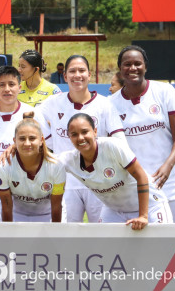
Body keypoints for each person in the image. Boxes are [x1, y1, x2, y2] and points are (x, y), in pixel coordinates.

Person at [33, 54, 125, 223]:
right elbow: (30, 116)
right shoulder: (53, 102)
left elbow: (120, 142)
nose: (77, 75)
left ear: (89, 75)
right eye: (72, 71)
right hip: (65, 181)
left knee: (102, 234)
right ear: (65, 76)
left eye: (82, 70)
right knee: (65, 234)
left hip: (100, 181)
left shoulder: (105, 104)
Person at [110, 45, 175, 223]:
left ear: (145, 67)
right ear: (120, 69)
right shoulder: (110, 104)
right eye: (127, 64)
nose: (132, 68)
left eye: (137, 64)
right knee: (152, 238)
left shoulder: (165, 91)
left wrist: (168, 167)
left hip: (174, 177)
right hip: (140, 183)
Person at [58, 113, 172, 229]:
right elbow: (44, 164)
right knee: (105, 247)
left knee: (160, 246)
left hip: (151, 206)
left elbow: (141, 176)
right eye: (74, 134)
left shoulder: (113, 146)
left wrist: (143, 216)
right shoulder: (70, 160)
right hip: (114, 211)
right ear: (69, 137)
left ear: (95, 131)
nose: (80, 138)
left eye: (85, 132)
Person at [0, 65, 34, 221]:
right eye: (2, 85)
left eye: (11, 84)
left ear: (20, 87)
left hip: (23, 190)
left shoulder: (32, 114)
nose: (7, 89)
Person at [0, 113, 66, 222]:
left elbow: (56, 206)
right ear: (14, 141)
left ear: (41, 140)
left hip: (48, 213)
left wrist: (54, 235)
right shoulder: (3, 166)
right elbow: (6, 206)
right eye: (22, 139)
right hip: (18, 214)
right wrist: (8, 235)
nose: (27, 143)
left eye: (32, 138)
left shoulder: (56, 165)